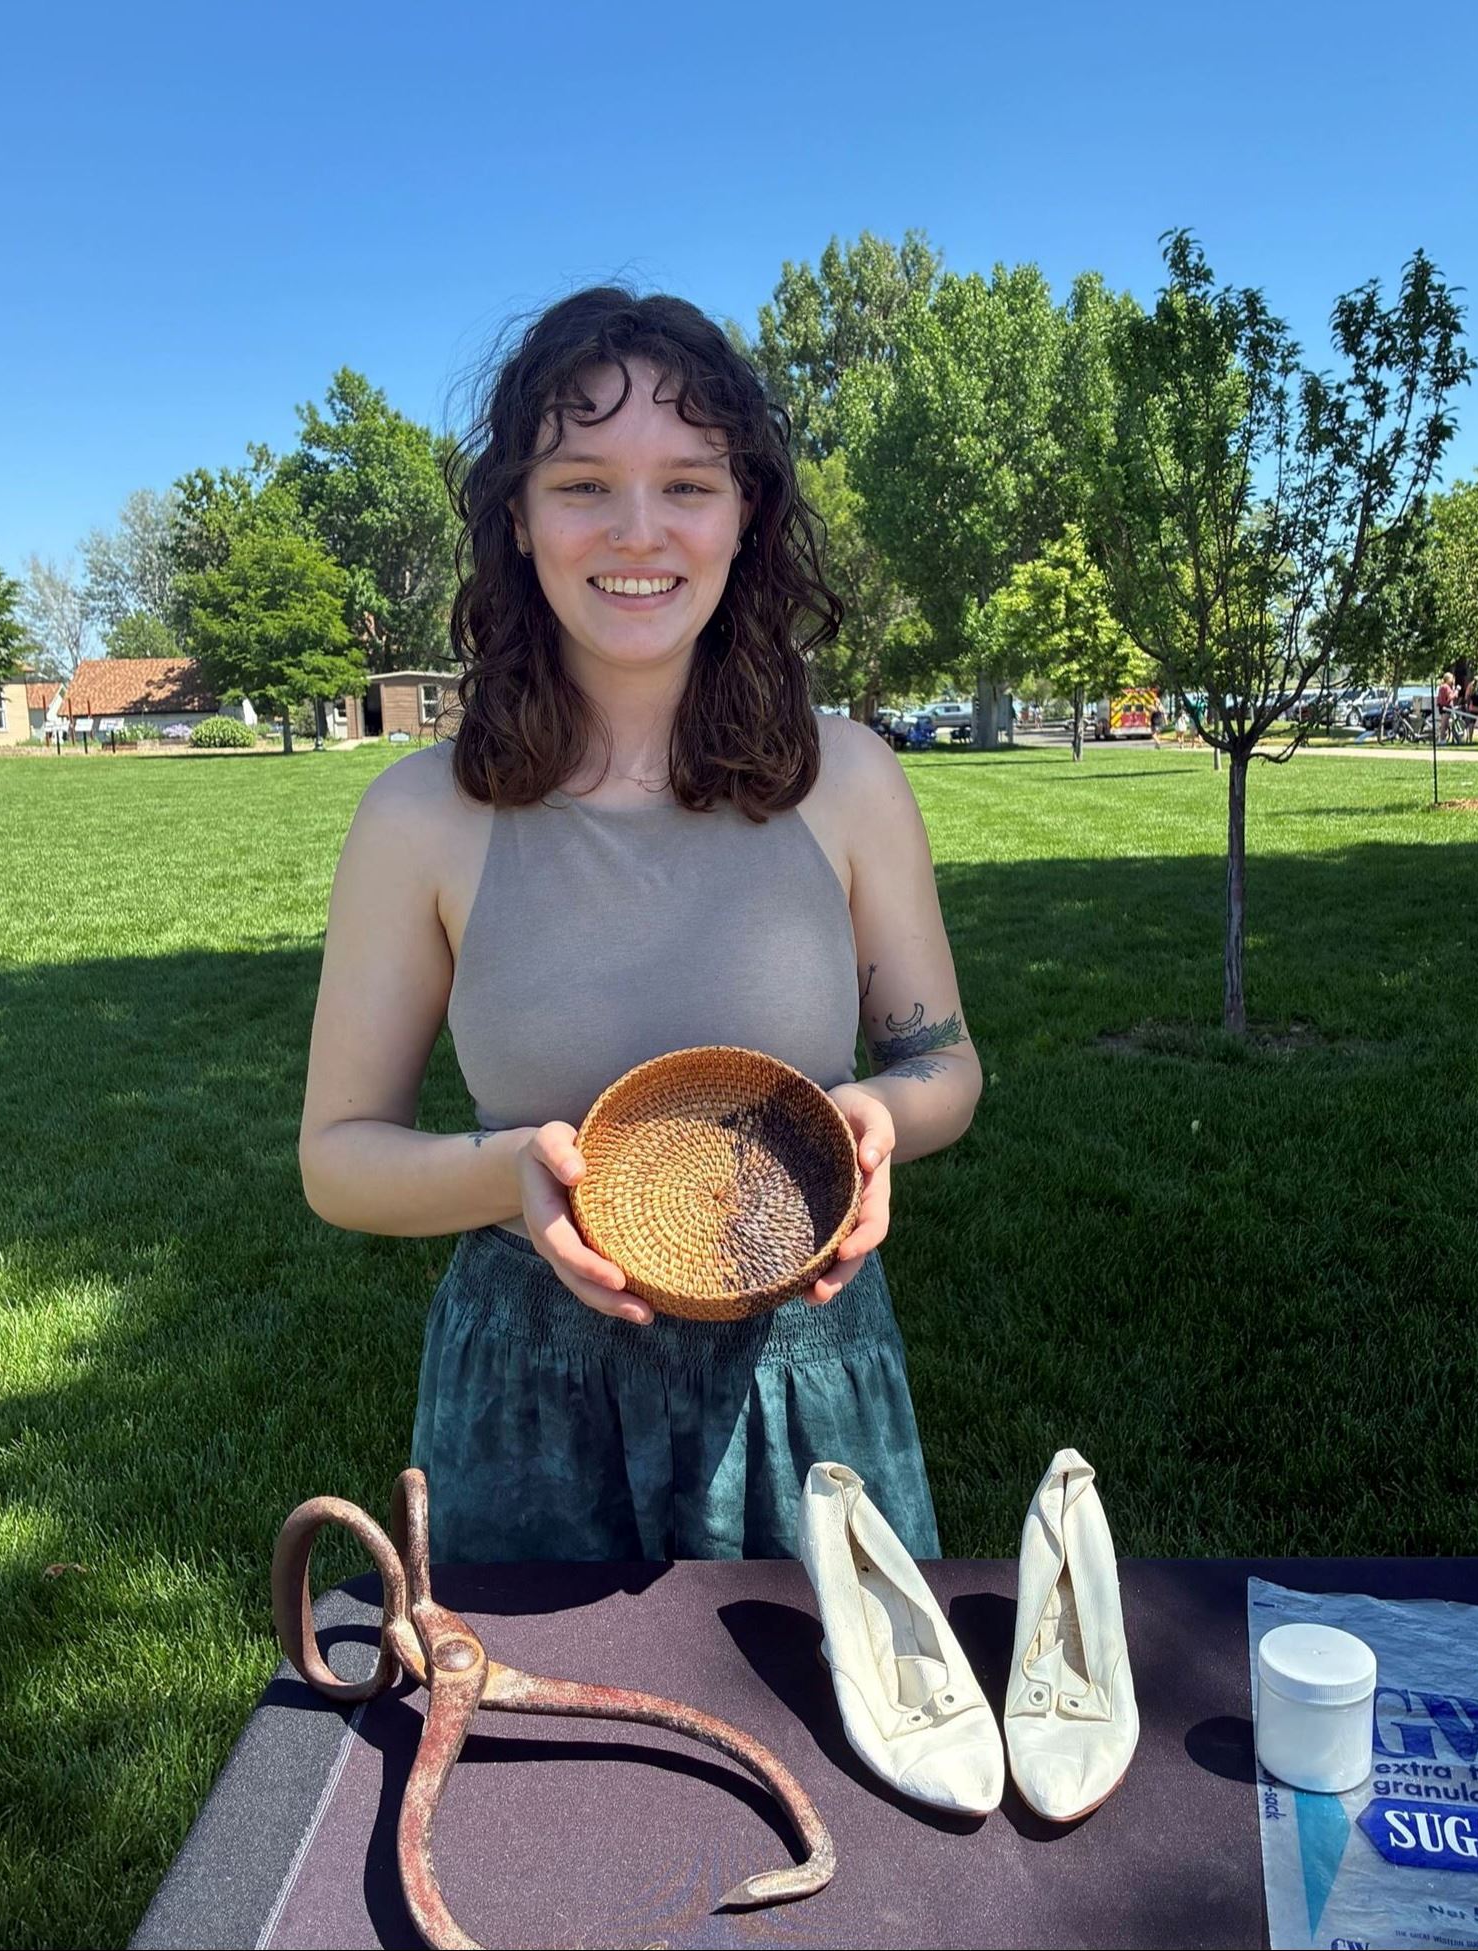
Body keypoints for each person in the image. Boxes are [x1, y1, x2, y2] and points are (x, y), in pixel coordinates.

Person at [297, 290, 978, 1565]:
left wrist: (881, 1122)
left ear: (747, 516)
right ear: (518, 517)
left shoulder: (851, 779)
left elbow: (942, 1062)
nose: (638, 530)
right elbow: (337, 1158)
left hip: (806, 1374)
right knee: (527, 1761)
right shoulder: (421, 817)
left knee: (847, 1750)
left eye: (689, 484)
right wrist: (506, 1173)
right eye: (582, 484)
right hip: (524, 1398)